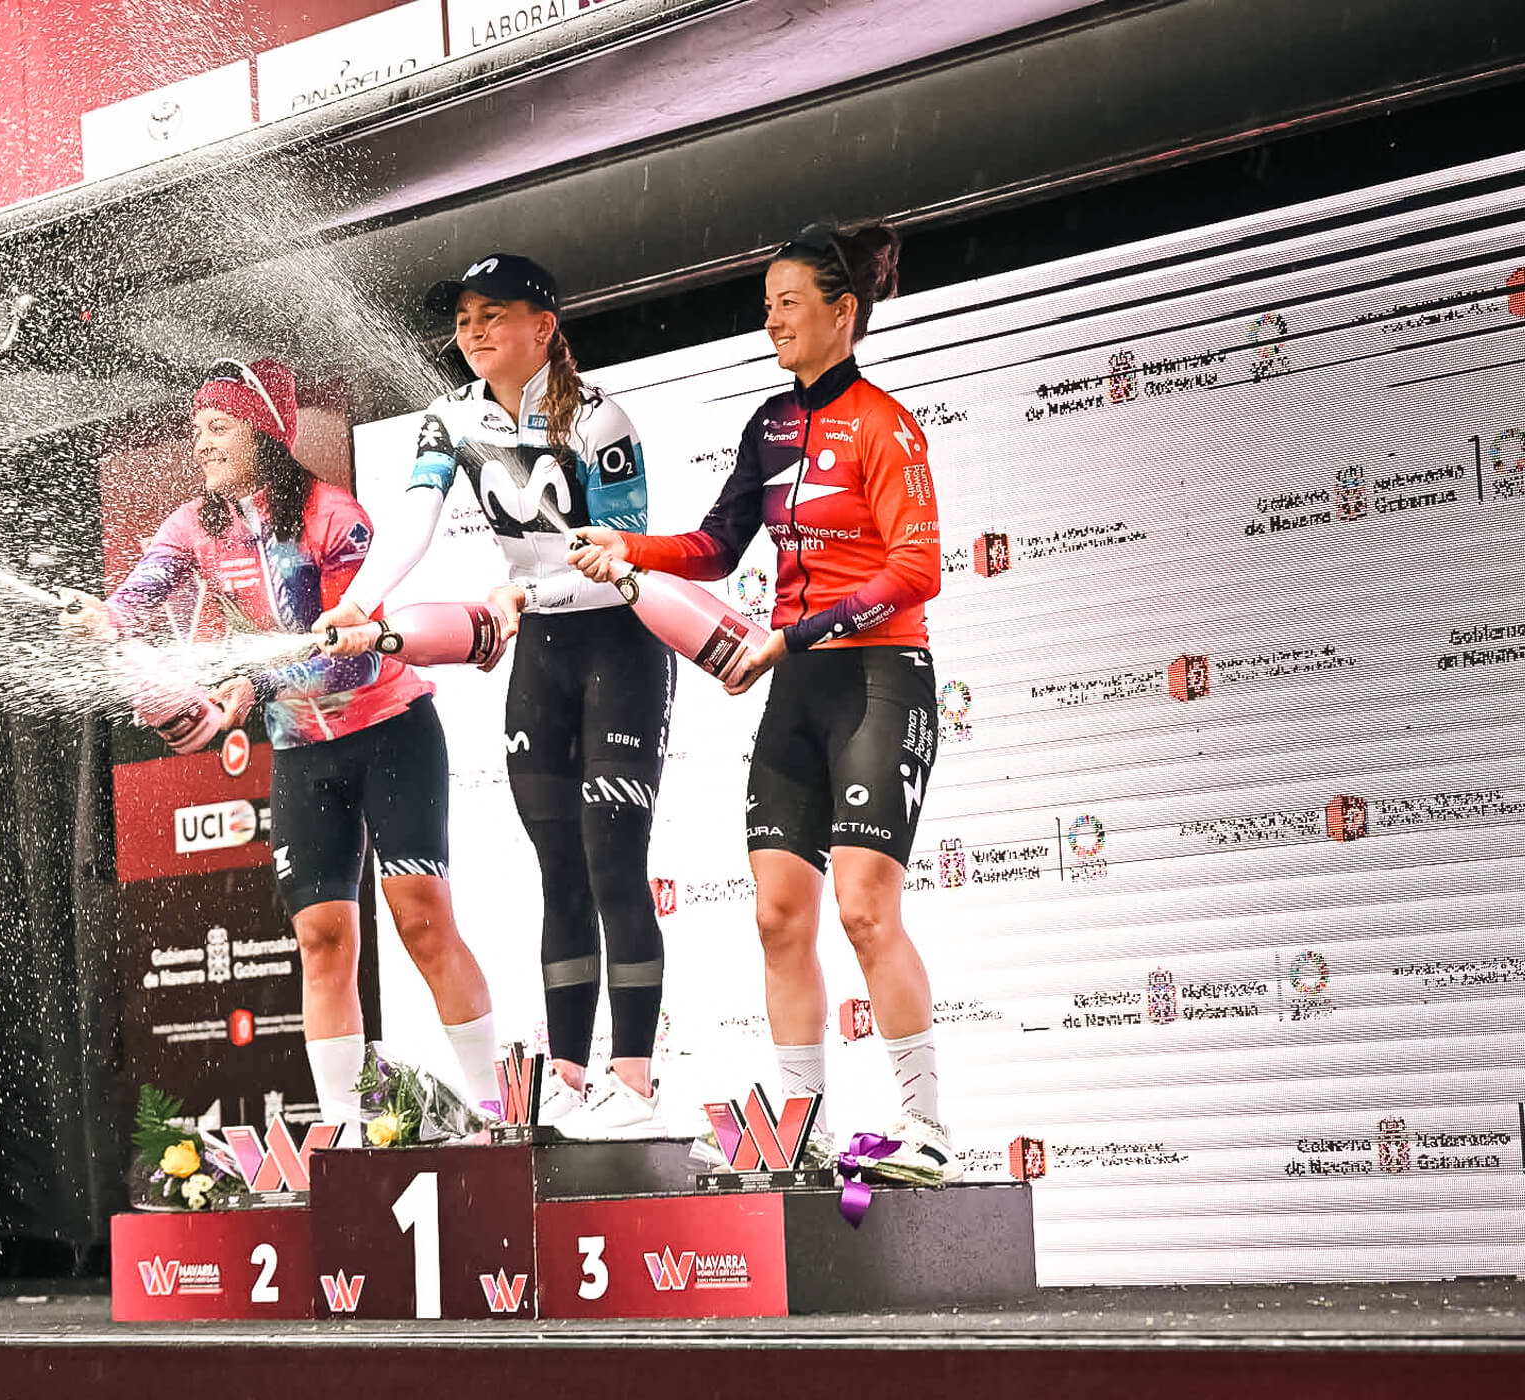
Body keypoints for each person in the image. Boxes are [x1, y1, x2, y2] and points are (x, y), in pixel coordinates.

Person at [569, 223, 958, 1183]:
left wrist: (793, 636)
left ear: (843, 312)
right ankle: (801, 1125)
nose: (773, 319)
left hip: (877, 679)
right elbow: (714, 547)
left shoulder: (885, 424)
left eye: (790, 303)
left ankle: (926, 1126)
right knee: (780, 916)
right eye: (768, 304)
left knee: (864, 910)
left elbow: (918, 570)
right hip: (798, 686)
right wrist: (627, 550)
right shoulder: (770, 424)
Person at [64, 358, 501, 1124]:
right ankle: (343, 1130)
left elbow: (360, 655)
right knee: (322, 940)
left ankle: (498, 1110)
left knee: (422, 923)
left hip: (390, 731)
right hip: (304, 752)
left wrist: (257, 687)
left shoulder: (334, 517)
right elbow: (144, 587)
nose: (201, 444)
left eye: (219, 427)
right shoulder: (195, 526)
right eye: (196, 429)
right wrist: (111, 617)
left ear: (264, 433)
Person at [316, 255, 675, 1139]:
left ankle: (635, 1082)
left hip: (619, 647)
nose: (472, 332)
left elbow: (619, 552)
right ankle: (571, 1078)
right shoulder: (451, 417)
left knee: (613, 860)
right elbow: (414, 519)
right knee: (559, 868)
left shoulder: (601, 418)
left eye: (492, 314)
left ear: (543, 327)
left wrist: (523, 593)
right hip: (542, 655)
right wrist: (361, 600)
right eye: (464, 318)